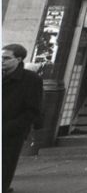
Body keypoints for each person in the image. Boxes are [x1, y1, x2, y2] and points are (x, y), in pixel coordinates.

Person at [3, 43, 43, 193]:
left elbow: (33, 109)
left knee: (5, 162)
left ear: (18, 59)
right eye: (1, 57)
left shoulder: (31, 80)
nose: (2, 61)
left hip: (11, 130)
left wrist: (12, 127)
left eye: (6, 58)